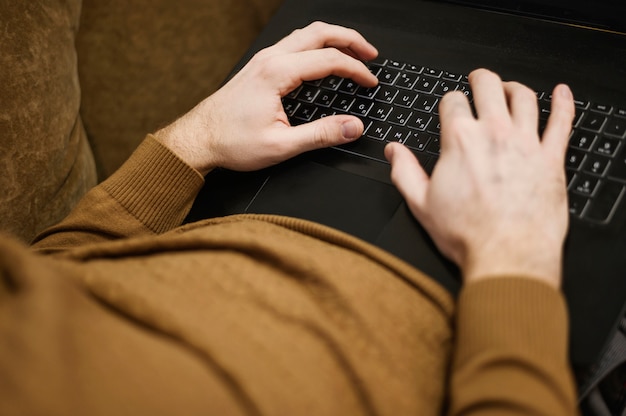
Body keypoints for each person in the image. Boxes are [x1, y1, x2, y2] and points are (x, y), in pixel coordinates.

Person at [0, 22, 578, 415]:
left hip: (225, 228)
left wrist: (192, 140)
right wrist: (513, 259)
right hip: (472, 308)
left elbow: (53, 276)